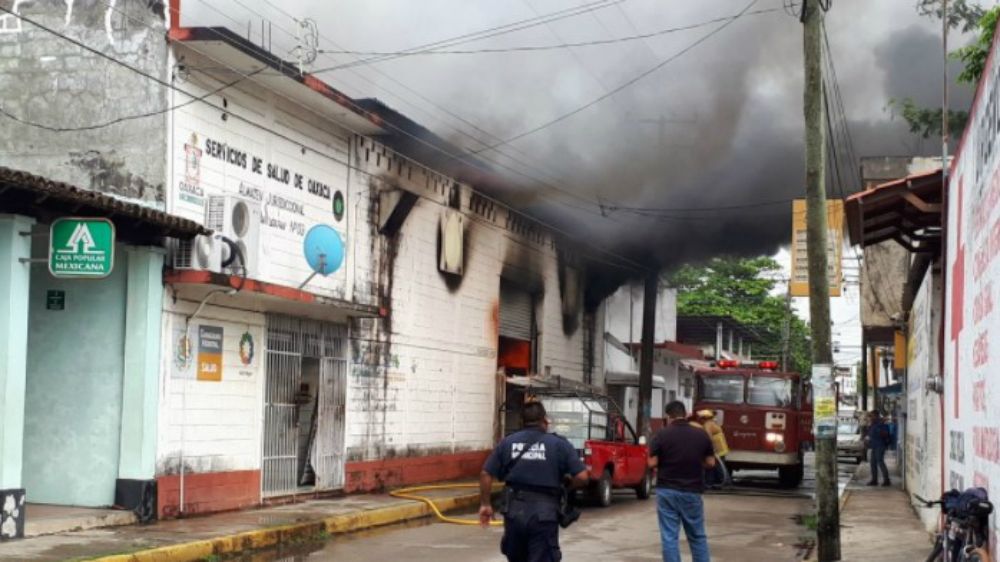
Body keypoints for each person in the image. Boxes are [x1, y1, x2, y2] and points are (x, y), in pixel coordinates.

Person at [480, 400, 590, 562]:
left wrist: (486, 504)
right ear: (545, 421)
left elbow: (485, 473)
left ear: (521, 422)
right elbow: (582, 477)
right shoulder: (559, 444)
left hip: (514, 513)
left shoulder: (507, 443)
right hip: (544, 514)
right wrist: (567, 486)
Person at [649, 400, 716, 562]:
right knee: (697, 536)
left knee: (669, 536)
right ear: (685, 414)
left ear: (668, 416)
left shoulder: (662, 434)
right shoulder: (701, 434)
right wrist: (695, 460)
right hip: (692, 491)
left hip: (667, 491)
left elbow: (651, 463)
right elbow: (711, 463)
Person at [696, 410, 730, 488]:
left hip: (716, 448)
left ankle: (725, 482)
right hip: (720, 448)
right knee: (716, 466)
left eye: (701, 418)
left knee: (717, 466)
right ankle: (713, 482)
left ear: (704, 418)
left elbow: (708, 438)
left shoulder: (708, 425)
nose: (699, 419)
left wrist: (707, 449)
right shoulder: (712, 423)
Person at [866, 410, 891, 486]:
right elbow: (870, 434)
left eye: (872, 416)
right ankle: (874, 480)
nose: (870, 417)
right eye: (870, 416)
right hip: (874, 446)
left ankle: (886, 480)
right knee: (873, 463)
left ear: (876, 416)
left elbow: (886, 434)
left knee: (880, 461)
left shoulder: (881, 424)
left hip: (880, 445)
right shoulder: (872, 424)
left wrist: (879, 430)